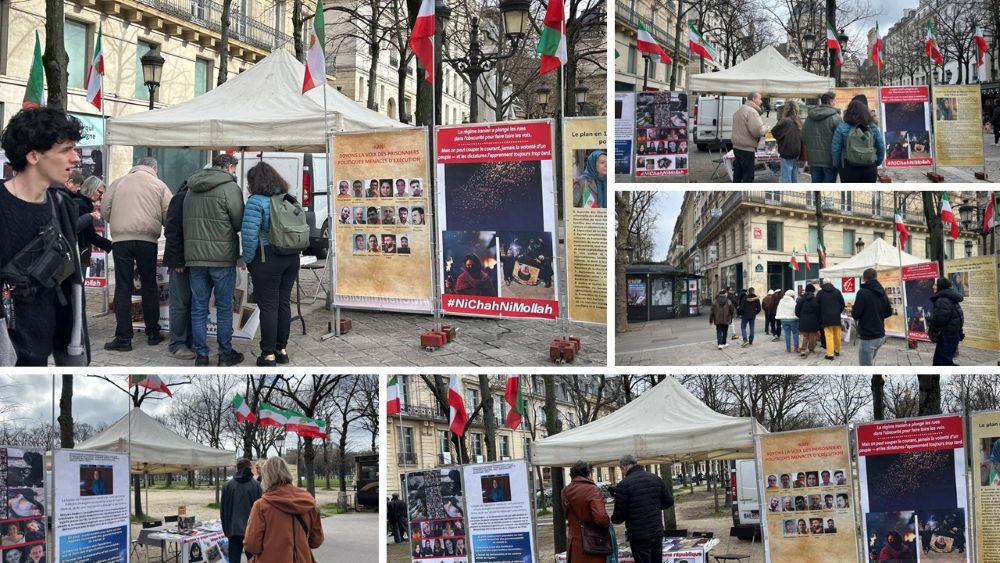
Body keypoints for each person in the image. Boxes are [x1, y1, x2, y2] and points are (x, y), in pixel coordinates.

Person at [0, 107, 90, 366]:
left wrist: (73, 351)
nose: (75, 158)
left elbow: (71, 282)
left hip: (44, 352)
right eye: (65, 150)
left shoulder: (62, 205)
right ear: (33, 156)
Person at [102, 157, 172, 351]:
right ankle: (153, 333)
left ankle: (123, 338)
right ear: (154, 168)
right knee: (149, 285)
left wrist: (119, 222)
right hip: (147, 240)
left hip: (121, 240)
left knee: (123, 287)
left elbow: (105, 210)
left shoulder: (118, 182)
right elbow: (169, 214)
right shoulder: (159, 184)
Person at [183, 153, 245, 367]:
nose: (234, 173)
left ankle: (201, 356)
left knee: (199, 307)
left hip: (195, 257)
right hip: (222, 257)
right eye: (234, 169)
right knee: (224, 307)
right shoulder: (230, 188)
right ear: (228, 167)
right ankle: (225, 354)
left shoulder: (191, 188)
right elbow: (239, 221)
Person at [242, 162, 300, 367]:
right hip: (291, 257)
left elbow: (249, 236)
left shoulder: (255, 202)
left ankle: (268, 354)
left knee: (268, 306)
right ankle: (281, 350)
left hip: (267, 257)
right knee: (283, 303)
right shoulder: (288, 198)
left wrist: (248, 259)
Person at [243, 457, 324, 563]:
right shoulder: (308, 501)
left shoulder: (261, 506)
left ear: (266, 476)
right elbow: (316, 540)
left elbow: (252, 545)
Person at [610, 454, 674, 563]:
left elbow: (619, 517)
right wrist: (655, 507)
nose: (622, 472)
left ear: (624, 466)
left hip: (639, 535)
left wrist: (613, 519)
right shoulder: (656, 479)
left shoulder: (623, 485)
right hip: (656, 531)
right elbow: (669, 502)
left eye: (621, 469)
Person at [163, 176, 196, 361]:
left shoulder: (198, 198)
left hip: (197, 259)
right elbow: (172, 230)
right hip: (181, 261)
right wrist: (177, 261)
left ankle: (189, 340)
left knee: (194, 304)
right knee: (180, 304)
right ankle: (177, 344)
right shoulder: (181, 198)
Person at [562, 460, 611, 563]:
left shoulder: (565, 491)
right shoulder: (592, 489)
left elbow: (567, 514)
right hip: (592, 542)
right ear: (588, 473)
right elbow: (601, 518)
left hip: (574, 542)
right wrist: (607, 522)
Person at [831, 99, 885, 182]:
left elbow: (836, 148)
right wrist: (877, 161)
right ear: (865, 112)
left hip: (848, 167)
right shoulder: (872, 127)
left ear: (848, 112)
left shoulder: (842, 127)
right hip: (869, 165)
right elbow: (880, 145)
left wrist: (837, 165)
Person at [221, 458, 263, 563]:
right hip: (252, 531)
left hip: (233, 531)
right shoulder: (257, 486)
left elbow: (223, 511)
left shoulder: (227, 486)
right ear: (250, 468)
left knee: (234, 560)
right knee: (254, 560)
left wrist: (226, 530)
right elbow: (261, 512)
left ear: (237, 469)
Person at [852, 268, 894, 366]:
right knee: (869, 362)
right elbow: (888, 312)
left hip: (868, 336)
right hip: (880, 335)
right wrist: (877, 315)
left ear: (863, 278)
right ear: (876, 277)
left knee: (865, 366)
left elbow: (855, 314)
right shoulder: (882, 291)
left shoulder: (862, 292)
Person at [731, 92, 768, 182]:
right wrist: (766, 128)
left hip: (737, 147)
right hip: (747, 149)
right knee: (748, 176)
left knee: (738, 174)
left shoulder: (740, 110)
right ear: (754, 99)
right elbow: (757, 131)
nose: (761, 101)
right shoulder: (752, 111)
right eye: (759, 99)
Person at [928, 276, 965, 366]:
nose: (933, 286)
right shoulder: (949, 297)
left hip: (947, 336)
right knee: (946, 361)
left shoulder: (942, 300)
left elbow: (939, 320)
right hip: (952, 335)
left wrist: (930, 323)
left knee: (941, 363)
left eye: (935, 285)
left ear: (940, 287)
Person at [771, 100, 803, 183]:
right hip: (797, 151)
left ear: (786, 109)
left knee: (786, 177)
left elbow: (774, 132)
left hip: (787, 151)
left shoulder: (785, 121)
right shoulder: (798, 120)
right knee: (794, 176)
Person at [818, 281, 846, 360]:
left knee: (829, 335)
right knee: (837, 335)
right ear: (831, 283)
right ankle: (837, 351)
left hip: (826, 317)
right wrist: (838, 312)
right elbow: (843, 304)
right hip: (836, 317)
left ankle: (830, 354)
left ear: (823, 284)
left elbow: (817, 305)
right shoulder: (837, 292)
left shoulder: (820, 293)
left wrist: (821, 314)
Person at [795, 284, 821, 357]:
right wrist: (817, 319)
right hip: (813, 320)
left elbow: (797, 311)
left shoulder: (801, 299)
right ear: (813, 291)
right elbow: (818, 311)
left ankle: (802, 350)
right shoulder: (815, 300)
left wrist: (801, 316)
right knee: (812, 336)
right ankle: (811, 349)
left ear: (806, 290)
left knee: (803, 336)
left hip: (803, 320)